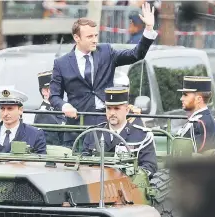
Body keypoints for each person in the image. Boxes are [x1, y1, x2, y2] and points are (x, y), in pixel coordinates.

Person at [49, 2, 158, 147]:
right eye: (89, 37)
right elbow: (54, 96)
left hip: (107, 124)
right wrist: (64, 106)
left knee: (106, 168)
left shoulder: (106, 52)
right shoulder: (61, 63)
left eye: (95, 35)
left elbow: (135, 54)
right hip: (77, 126)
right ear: (77, 38)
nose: (95, 40)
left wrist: (148, 29)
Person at [82, 87, 157, 177]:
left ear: (127, 110)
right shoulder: (93, 134)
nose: (112, 113)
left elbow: (149, 167)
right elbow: (83, 163)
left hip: (129, 186)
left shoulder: (142, 136)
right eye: (109, 108)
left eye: (117, 108)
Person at [0, 89, 47, 154]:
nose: (5, 113)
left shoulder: (34, 134)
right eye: (2, 109)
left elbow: (41, 161)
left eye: (10, 109)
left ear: (20, 110)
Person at [175, 76, 215, 153]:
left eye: (185, 95)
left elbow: (196, 156)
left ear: (198, 99)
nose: (181, 98)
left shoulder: (201, 123)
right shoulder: (199, 120)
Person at [34, 70, 66, 146]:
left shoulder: (61, 108)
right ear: (44, 91)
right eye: (55, 88)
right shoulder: (43, 114)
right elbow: (52, 146)